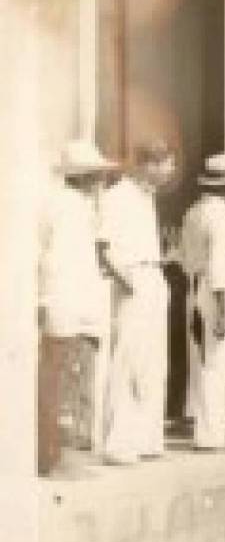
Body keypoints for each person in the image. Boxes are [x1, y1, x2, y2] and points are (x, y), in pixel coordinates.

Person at [37, 139, 115, 476]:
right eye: (96, 176)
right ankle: (62, 460)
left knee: (61, 384)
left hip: (66, 308)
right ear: (84, 177)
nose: (100, 182)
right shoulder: (72, 209)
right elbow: (65, 265)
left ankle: (56, 456)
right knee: (69, 387)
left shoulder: (66, 206)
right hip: (72, 310)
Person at [99, 139, 175, 465]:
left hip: (152, 276)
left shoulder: (147, 198)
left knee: (153, 363)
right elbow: (103, 247)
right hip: (134, 279)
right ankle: (119, 443)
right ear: (150, 164)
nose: (171, 171)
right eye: (168, 164)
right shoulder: (117, 197)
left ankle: (147, 439)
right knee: (127, 360)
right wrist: (127, 282)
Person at [179, 153, 225, 451]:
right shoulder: (220, 215)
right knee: (221, 364)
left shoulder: (195, 211)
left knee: (216, 364)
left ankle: (214, 429)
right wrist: (223, 309)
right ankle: (212, 434)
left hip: (200, 288)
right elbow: (219, 265)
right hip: (219, 292)